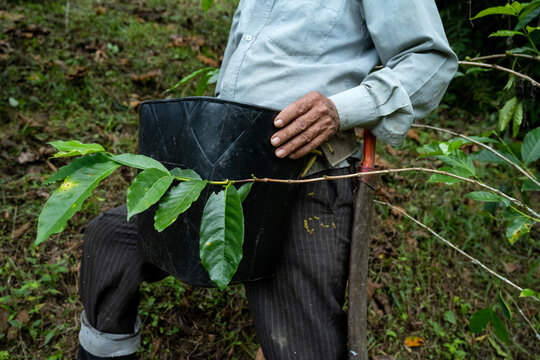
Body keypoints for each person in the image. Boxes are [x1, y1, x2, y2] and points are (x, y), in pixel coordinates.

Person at [77, 1, 458, 359]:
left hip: (306, 176)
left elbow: (430, 60)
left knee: (301, 343)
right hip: (223, 170)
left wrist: (339, 110)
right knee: (111, 240)